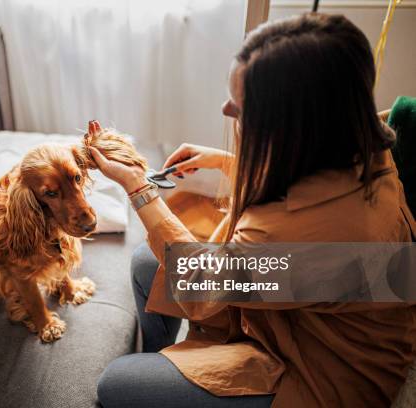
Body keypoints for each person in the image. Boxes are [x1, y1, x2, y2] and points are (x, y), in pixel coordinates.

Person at [91, 12, 416, 408]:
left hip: (321, 372)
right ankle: (164, 363)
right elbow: (300, 186)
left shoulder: (311, 238)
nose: (227, 109)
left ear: (292, 125)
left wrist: (137, 187)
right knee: (149, 261)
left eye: (242, 109)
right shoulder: (361, 141)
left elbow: (201, 286)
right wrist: (224, 160)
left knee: (117, 384)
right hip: (299, 313)